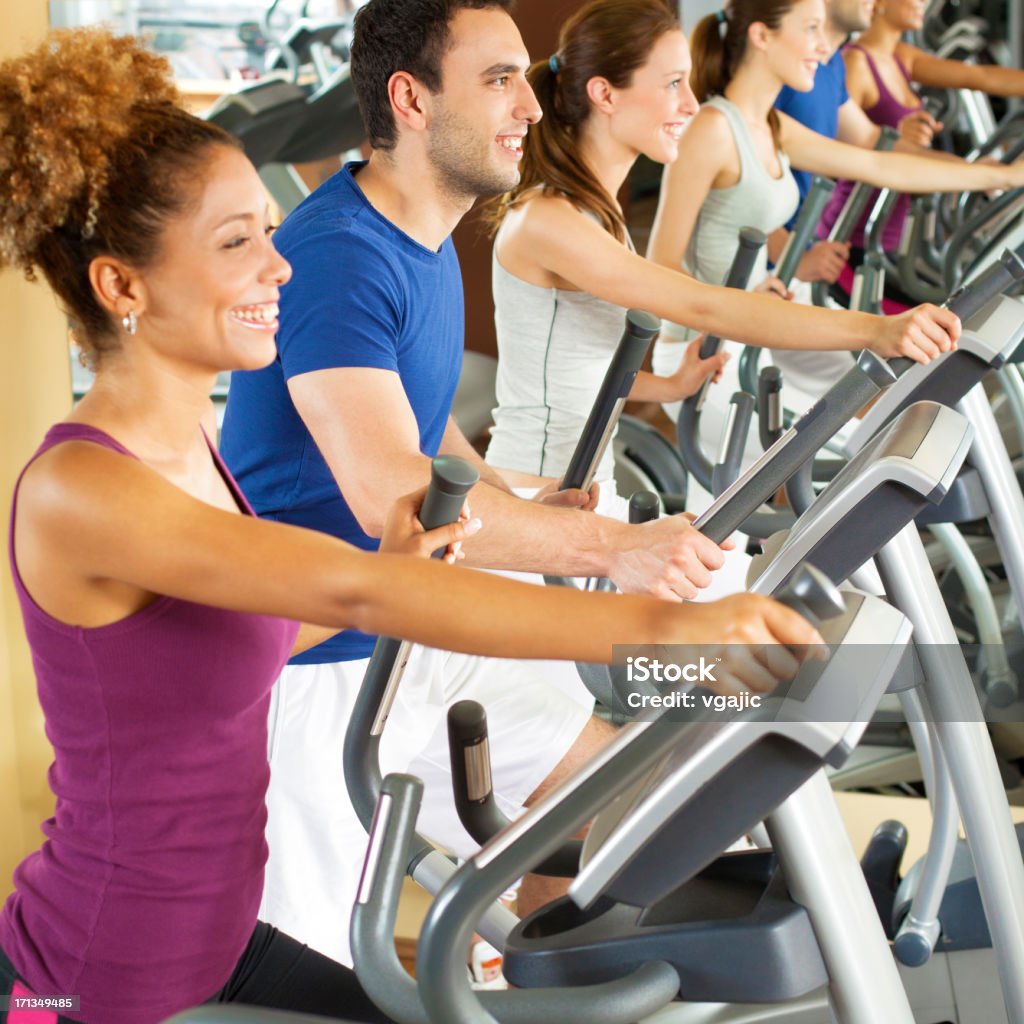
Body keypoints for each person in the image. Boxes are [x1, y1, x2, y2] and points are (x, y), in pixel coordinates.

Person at [0, 27, 821, 1024]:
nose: (280, 266)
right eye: (235, 243)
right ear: (123, 288)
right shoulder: (80, 489)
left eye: (267, 229)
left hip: (222, 948)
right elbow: (348, 588)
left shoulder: (195, 450)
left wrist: (402, 562)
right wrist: (672, 631)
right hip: (103, 978)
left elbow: (246, 636)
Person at [482, 0, 958, 522]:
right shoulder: (550, 219)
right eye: (672, 84)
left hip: (585, 487)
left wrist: (667, 387)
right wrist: (875, 330)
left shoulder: (596, 212)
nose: (690, 104)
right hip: (533, 498)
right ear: (605, 94)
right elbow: (703, 307)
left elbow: (568, 367)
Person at [646, 0, 1024, 438]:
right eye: (810, 29)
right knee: (871, 448)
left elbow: (882, 166)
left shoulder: (772, 126)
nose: (825, 46)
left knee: (897, 418)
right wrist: (745, 294)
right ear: (761, 36)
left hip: (755, 335)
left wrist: (1001, 175)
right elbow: (660, 270)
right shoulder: (710, 130)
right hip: (705, 357)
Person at [818, 0, 1024, 301]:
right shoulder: (855, 64)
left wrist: (981, 170)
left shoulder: (900, 56)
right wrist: (992, 174)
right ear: (878, 4)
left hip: (888, 241)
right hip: (853, 243)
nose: (923, 4)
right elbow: (850, 151)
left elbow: (979, 78)